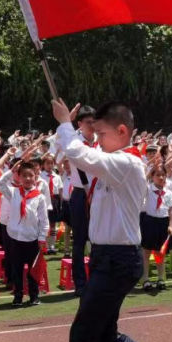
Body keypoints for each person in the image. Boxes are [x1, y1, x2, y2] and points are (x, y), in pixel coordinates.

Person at [49, 99, 172, 342]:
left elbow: (83, 157)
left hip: (117, 260)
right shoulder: (112, 163)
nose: (97, 138)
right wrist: (71, 129)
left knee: (82, 337)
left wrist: (67, 123)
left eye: (102, 132)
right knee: (104, 337)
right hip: (108, 259)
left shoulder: (126, 162)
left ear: (121, 132)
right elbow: (79, 165)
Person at [0, 157, 48, 307]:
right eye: (24, 175)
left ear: (35, 177)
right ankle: (18, 296)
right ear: (18, 177)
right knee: (16, 269)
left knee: (33, 270)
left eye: (30, 175)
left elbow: (44, 220)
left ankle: (34, 296)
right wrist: (10, 172)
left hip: (32, 238)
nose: (27, 178)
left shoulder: (39, 197)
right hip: (14, 238)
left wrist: (42, 237)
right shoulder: (13, 192)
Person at [65, 105, 96, 296]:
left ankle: (97, 279)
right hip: (80, 194)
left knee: (99, 238)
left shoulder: (100, 142)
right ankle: (80, 283)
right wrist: (65, 121)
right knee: (79, 240)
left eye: (94, 121)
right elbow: (56, 142)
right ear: (79, 124)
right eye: (88, 122)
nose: (92, 126)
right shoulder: (73, 141)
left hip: (99, 193)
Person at [140, 164, 172, 291]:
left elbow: (171, 210)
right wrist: (150, 172)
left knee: (161, 252)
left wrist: (170, 225)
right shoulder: (148, 189)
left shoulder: (168, 192)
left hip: (163, 223)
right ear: (152, 177)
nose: (161, 177)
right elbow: (142, 182)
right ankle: (145, 279)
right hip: (149, 222)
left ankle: (161, 278)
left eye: (163, 175)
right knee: (146, 252)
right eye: (157, 175)